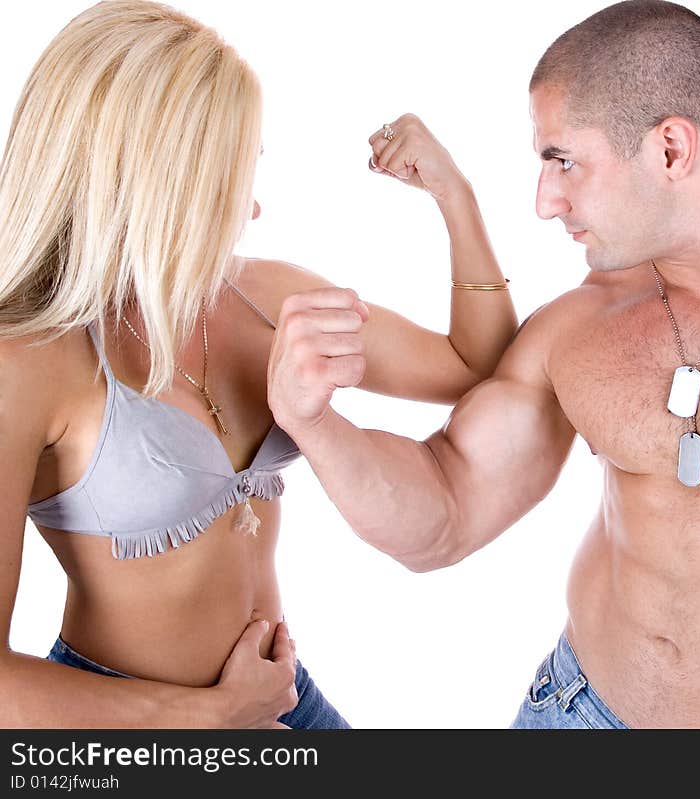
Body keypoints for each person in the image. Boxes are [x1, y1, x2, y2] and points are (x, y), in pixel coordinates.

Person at [266, 0, 700, 728]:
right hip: (573, 713)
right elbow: (446, 513)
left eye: (562, 160)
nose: (544, 201)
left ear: (671, 149)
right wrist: (313, 421)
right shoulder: (585, 322)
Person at [0, 0, 516, 728]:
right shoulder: (25, 361)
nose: (252, 210)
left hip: (285, 703)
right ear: (156, 183)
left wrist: (454, 197)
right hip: (126, 722)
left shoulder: (261, 295)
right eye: (227, 181)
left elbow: (476, 365)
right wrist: (210, 717)